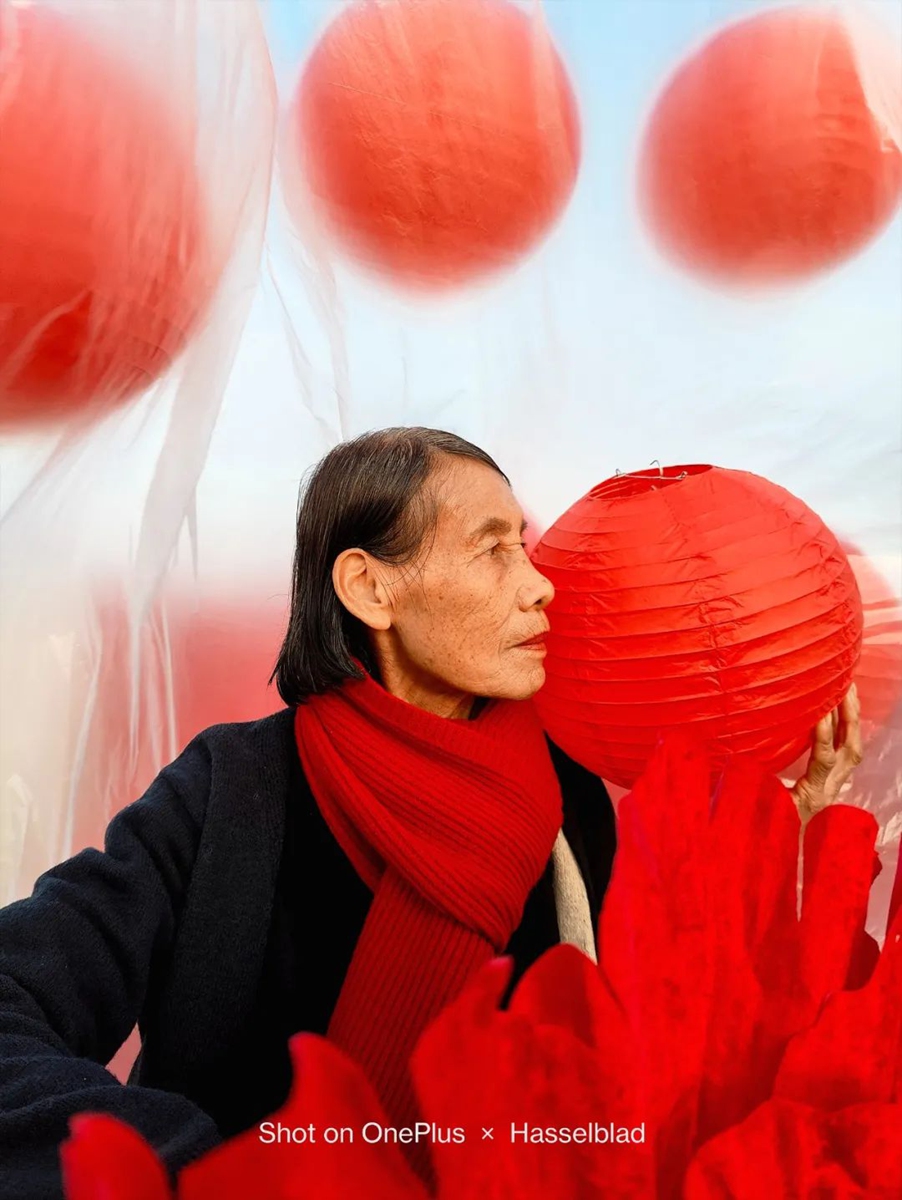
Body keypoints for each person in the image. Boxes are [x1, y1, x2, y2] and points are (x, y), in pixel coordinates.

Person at [0, 427, 862, 1199]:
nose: (541, 588)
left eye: (526, 548)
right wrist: (204, 1172)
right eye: (494, 551)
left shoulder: (572, 803)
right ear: (370, 590)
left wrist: (780, 859)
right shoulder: (234, 790)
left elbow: (660, 1060)